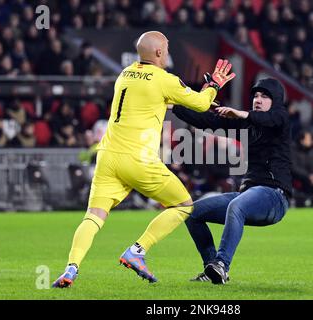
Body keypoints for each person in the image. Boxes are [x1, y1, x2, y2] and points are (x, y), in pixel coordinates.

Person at [52, 31, 235, 287]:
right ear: (159, 53)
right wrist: (214, 84)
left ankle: (71, 269)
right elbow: (203, 104)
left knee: (93, 217)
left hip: (107, 157)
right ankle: (137, 251)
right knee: (184, 205)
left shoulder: (124, 74)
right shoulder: (164, 79)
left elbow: (154, 101)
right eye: (167, 48)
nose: (169, 53)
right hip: (137, 158)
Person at [172, 77, 292, 284]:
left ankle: (222, 264)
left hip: (274, 197)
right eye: (256, 95)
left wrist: (242, 114)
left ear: (276, 101)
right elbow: (207, 122)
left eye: (265, 96)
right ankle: (212, 269)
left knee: (237, 205)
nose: (258, 99)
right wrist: (175, 105)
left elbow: (270, 119)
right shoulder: (246, 124)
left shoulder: (281, 119)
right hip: (249, 195)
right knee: (191, 213)